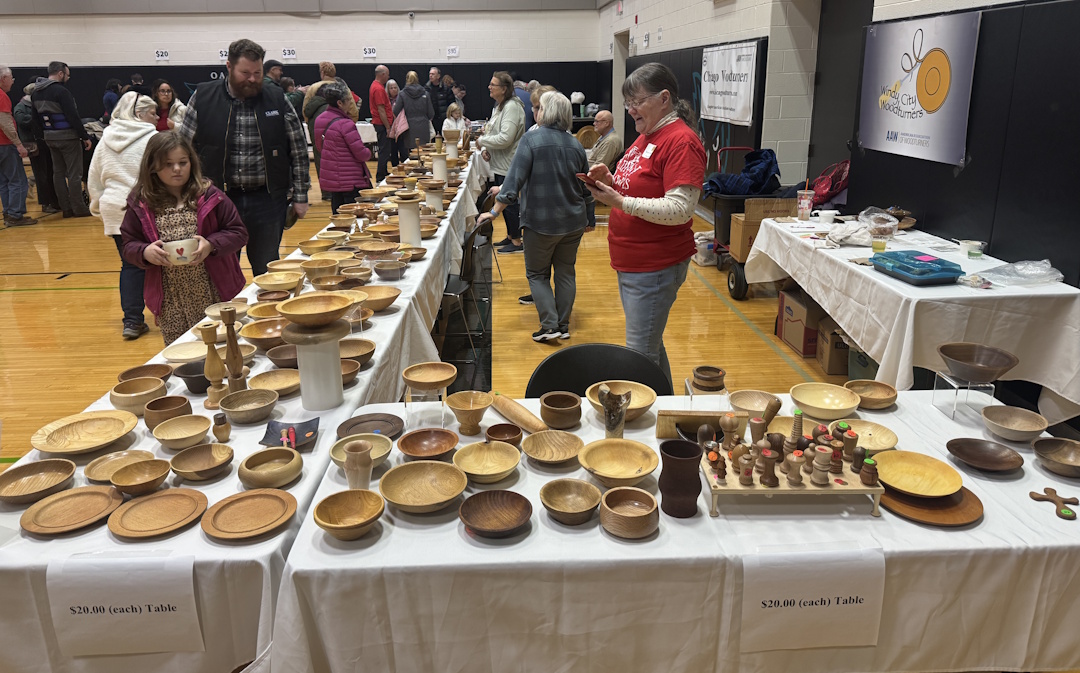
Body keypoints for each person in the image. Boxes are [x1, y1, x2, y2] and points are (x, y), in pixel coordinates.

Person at [586, 62, 707, 386]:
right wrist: (611, 180)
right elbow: (640, 187)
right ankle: (666, 408)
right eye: (628, 103)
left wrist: (620, 202)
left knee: (639, 356)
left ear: (664, 98)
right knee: (649, 346)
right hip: (635, 262)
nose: (631, 110)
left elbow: (680, 209)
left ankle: (649, 416)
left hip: (655, 264)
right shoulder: (647, 135)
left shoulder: (680, 141)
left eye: (637, 101)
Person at [179, 38, 311, 276]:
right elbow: (183, 149)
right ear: (229, 67)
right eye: (245, 73)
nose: (252, 79)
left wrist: (301, 196)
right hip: (218, 200)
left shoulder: (276, 97)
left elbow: (299, 150)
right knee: (222, 272)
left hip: (268, 201)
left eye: (257, 73)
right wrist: (182, 197)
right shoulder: (203, 96)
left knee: (268, 269)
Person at [478, 91, 593, 342]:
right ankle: (563, 325)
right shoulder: (575, 144)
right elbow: (587, 187)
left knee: (537, 274)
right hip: (573, 221)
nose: (535, 111)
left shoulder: (531, 140)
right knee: (566, 272)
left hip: (541, 222)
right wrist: (590, 219)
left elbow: (513, 182)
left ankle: (550, 326)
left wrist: (494, 211)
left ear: (546, 111)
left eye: (539, 107)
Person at [121, 132, 247, 345]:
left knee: (222, 345)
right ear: (152, 166)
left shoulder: (209, 194)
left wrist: (211, 244)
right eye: (168, 164)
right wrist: (144, 252)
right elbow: (128, 244)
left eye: (182, 162)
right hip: (170, 296)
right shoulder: (142, 201)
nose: (177, 169)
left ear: (192, 162)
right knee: (181, 350)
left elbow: (238, 232)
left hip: (213, 289)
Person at [88, 91, 158, 339]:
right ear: (138, 114)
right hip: (145, 207)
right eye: (153, 113)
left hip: (114, 208)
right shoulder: (153, 138)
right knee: (165, 262)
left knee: (131, 265)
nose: (157, 117)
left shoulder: (106, 137)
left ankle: (132, 321)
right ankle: (169, 313)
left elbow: (94, 178)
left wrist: (98, 207)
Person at [30, 61, 93, 218]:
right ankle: (79, 208)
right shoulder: (61, 92)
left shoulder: (36, 93)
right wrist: (84, 136)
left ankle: (65, 208)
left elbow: (35, 119)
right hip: (68, 137)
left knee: (58, 173)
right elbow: (73, 115)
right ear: (60, 73)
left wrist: (43, 137)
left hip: (50, 138)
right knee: (74, 174)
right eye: (67, 75)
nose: (68, 78)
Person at [476, 71, 525, 253]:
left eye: (493, 84)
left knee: (509, 202)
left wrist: (482, 141)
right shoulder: (499, 106)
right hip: (500, 163)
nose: (489, 87)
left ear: (504, 89)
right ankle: (511, 235)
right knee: (503, 201)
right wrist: (486, 148)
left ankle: (517, 242)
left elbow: (505, 138)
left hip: (509, 163)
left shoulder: (512, 107)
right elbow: (491, 131)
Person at [315, 84, 373, 214]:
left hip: (332, 179)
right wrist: (369, 152)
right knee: (356, 217)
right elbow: (361, 154)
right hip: (351, 179)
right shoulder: (346, 124)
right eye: (348, 100)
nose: (351, 103)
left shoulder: (319, 120)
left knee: (338, 216)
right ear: (340, 103)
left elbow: (320, 147)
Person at [303, 62, 358, 191]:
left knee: (320, 157)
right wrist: (350, 124)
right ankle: (341, 188)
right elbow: (353, 111)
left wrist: (311, 125)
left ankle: (326, 191)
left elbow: (305, 110)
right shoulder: (343, 87)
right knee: (342, 157)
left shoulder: (313, 88)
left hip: (316, 125)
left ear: (322, 73)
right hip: (340, 125)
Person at [13, 82, 60, 215]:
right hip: (34, 145)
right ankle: (45, 203)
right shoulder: (21, 106)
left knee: (50, 173)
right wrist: (37, 118)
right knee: (41, 176)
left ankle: (55, 201)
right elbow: (21, 120)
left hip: (46, 142)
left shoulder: (39, 105)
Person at [0, 66, 37, 226]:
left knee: (4, 181)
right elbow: (6, 123)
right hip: (5, 144)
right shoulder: (2, 96)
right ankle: (15, 214)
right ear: (3, 79)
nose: (13, 81)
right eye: (11, 78)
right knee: (18, 180)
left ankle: (8, 213)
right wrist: (19, 144)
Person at [394, 71, 434, 157]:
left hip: (408, 128)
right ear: (417, 79)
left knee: (411, 153)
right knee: (424, 152)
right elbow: (431, 113)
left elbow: (395, 111)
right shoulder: (425, 93)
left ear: (406, 79)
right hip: (423, 126)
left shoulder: (402, 94)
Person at [369, 64, 393, 182]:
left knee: (385, 150)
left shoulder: (375, 86)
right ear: (383, 74)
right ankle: (380, 176)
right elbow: (381, 110)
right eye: (387, 75)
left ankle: (384, 171)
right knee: (384, 151)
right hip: (381, 124)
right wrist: (388, 127)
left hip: (380, 123)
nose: (388, 77)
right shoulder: (378, 89)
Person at [386, 79, 408, 165]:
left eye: (395, 87)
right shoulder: (386, 100)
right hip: (391, 127)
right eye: (391, 88)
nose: (394, 90)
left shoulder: (401, 98)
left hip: (401, 127)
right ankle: (395, 168)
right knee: (393, 151)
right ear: (388, 89)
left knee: (403, 150)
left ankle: (405, 167)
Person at [425, 67, 450, 134]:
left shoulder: (446, 88)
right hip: (431, 120)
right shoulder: (426, 89)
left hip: (443, 119)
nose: (430, 76)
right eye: (430, 74)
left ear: (438, 76)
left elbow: (451, 104)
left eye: (433, 74)